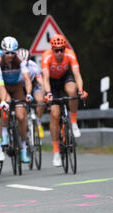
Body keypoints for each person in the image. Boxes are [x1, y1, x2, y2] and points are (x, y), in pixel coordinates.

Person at [42, 34, 88, 167]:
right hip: (51, 82)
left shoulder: (70, 54)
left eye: (62, 49)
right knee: (55, 115)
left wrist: (81, 90)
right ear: (52, 50)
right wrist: (48, 94)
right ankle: (56, 151)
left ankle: (73, 122)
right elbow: (45, 79)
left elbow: (77, 74)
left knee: (73, 91)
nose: (60, 53)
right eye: (57, 50)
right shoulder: (47, 56)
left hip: (65, 78)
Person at [0, 36, 33, 163]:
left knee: (21, 117)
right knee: (5, 104)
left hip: (17, 87)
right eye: (7, 53)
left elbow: (27, 79)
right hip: (4, 87)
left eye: (13, 53)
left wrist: (28, 93)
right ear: (3, 51)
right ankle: (5, 133)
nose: (10, 56)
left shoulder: (20, 61)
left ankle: (23, 148)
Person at [18, 48, 46, 139]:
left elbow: (40, 81)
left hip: (33, 84)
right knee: (22, 110)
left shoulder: (33, 66)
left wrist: (46, 93)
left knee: (40, 100)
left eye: (26, 62)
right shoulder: (14, 67)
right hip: (19, 87)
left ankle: (38, 121)